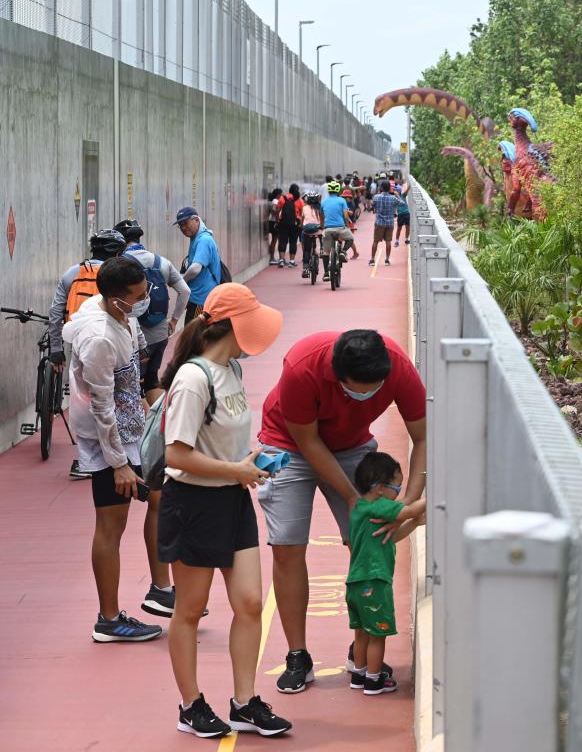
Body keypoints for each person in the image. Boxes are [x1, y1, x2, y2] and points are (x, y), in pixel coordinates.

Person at [257, 330, 427, 693]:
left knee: (367, 542)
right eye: (358, 388)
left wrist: (407, 505)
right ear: (337, 375)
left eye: (375, 388)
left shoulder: (397, 366)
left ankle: (361, 653)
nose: (367, 394)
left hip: (352, 448)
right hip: (290, 445)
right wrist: (353, 498)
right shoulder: (302, 366)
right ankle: (297, 654)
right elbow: (309, 442)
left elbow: (424, 436)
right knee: (287, 547)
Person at [158, 283, 292, 739]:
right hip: (193, 503)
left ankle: (244, 702)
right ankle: (190, 705)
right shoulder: (193, 379)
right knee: (190, 611)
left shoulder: (231, 368)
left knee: (251, 602)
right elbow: (176, 455)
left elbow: (221, 442)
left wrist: (250, 464)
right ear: (234, 325)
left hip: (232, 498)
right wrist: (235, 470)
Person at [62, 256, 166, 642]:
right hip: (110, 440)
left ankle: (160, 589)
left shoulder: (121, 315)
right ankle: (108, 619)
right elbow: (103, 404)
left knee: (155, 498)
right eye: (138, 297)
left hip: (129, 431)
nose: (145, 301)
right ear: (117, 298)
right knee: (111, 526)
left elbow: (130, 383)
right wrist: (118, 463)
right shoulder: (100, 337)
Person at [49, 229, 129, 480]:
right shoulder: (118, 276)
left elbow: (55, 313)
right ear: (117, 252)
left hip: (79, 343)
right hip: (113, 342)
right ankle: (119, 454)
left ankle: (85, 460)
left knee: (85, 401)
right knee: (114, 398)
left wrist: (55, 350)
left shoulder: (72, 273)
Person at [346, 452, 409, 695]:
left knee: (361, 633)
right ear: (381, 488)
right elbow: (408, 511)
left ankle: (359, 675)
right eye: (397, 486)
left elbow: (391, 535)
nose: (399, 492)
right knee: (378, 634)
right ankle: (374, 680)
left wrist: (417, 521)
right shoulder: (380, 506)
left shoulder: (360, 508)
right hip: (375, 581)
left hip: (355, 582)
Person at [114, 219, 191, 404]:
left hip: (135, 339)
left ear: (122, 240)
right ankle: (160, 424)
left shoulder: (120, 264)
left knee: (132, 386)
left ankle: (142, 429)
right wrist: (173, 321)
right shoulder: (161, 262)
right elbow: (185, 291)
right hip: (160, 333)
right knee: (151, 380)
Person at [176, 207, 222, 322]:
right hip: (200, 297)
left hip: (201, 299)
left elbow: (195, 268)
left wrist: (181, 280)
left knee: (193, 336)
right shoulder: (198, 237)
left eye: (185, 223)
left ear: (196, 220)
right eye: (180, 225)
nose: (183, 228)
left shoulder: (203, 240)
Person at [320, 181, 359, 263]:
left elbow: (322, 216)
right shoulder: (342, 201)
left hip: (328, 229)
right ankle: (343, 251)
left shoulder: (323, 201)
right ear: (338, 191)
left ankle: (326, 273)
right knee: (350, 239)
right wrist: (347, 226)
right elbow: (345, 215)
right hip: (340, 228)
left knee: (326, 252)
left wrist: (322, 227)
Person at [369, 180, 399, 267]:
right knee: (388, 242)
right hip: (390, 222)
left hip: (379, 222)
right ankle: (387, 260)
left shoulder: (376, 197)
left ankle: (372, 260)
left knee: (375, 241)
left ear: (381, 188)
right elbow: (402, 203)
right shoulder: (393, 198)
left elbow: (371, 207)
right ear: (389, 188)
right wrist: (397, 195)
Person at [274, 184, 303, 269]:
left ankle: (281, 260)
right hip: (295, 224)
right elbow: (301, 214)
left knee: (282, 241)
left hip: (283, 223)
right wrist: (300, 223)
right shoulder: (299, 200)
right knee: (293, 242)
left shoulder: (283, 198)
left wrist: (277, 220)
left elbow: (277, 210)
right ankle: (291, 261)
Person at [299, 192, 324, 280]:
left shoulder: (304, 208)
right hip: (318, 230)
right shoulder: (320, 208)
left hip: (307, 231)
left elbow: (302, 222)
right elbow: (322, 220)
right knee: (322, 234)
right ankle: (322, 249)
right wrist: (322, 226)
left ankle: (305, 269)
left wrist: (302, 227)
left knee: (306, 250)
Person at [265, 189, 282, 267]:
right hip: (274, 222)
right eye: (280, 194)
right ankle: (272, 257)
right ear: (278, 195)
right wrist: (278, 218)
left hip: (269, 222)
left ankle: (272, 256)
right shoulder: (275, 201)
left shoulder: (271, 201)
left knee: (272, 240)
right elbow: (275, 210)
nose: (281, 196)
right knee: (274, 240)